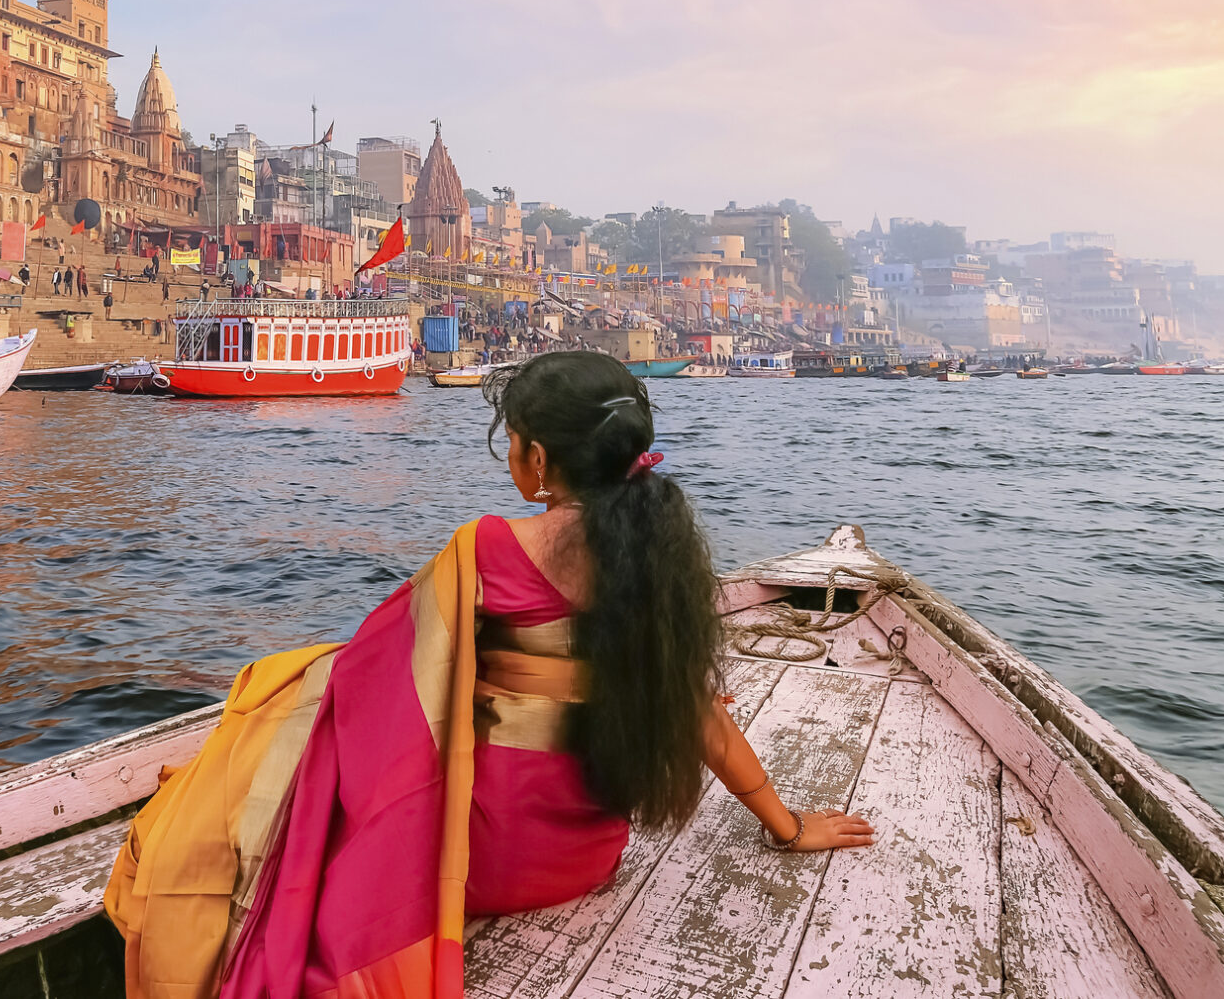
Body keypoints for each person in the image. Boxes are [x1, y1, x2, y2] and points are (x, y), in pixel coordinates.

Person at [104, 352, 873, 998]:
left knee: (302, 685)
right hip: (585, 860)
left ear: (538, 459)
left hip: (474, 865)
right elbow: (700, 714)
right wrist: (787, 822)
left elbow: (388, 664)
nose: (509, 455)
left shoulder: (489, 546)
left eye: (512, 441)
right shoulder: (661, 561)